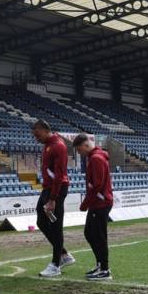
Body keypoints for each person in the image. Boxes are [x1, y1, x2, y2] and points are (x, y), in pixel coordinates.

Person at [32, 119, 75, 278]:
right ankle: (64, 254)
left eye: (37, 135)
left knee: (55, 225)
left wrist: (53, 199)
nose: (36, 139)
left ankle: (56, 264)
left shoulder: (58, 146)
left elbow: (59, 174)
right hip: (47, 188)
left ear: (44, 129)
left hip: (56, 189)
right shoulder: (48, 145)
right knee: (41, 221)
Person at [72, 134, 113, 281]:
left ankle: (105, 269)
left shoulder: (96, 159)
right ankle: (100, 264)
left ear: (85, 145)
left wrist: (85, 203)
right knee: (90, 233)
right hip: (99, 202)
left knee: (98, 236)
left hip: (100, 203)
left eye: (79, 149)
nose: (79, 153)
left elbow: (97, 184)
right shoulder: (95, 157)